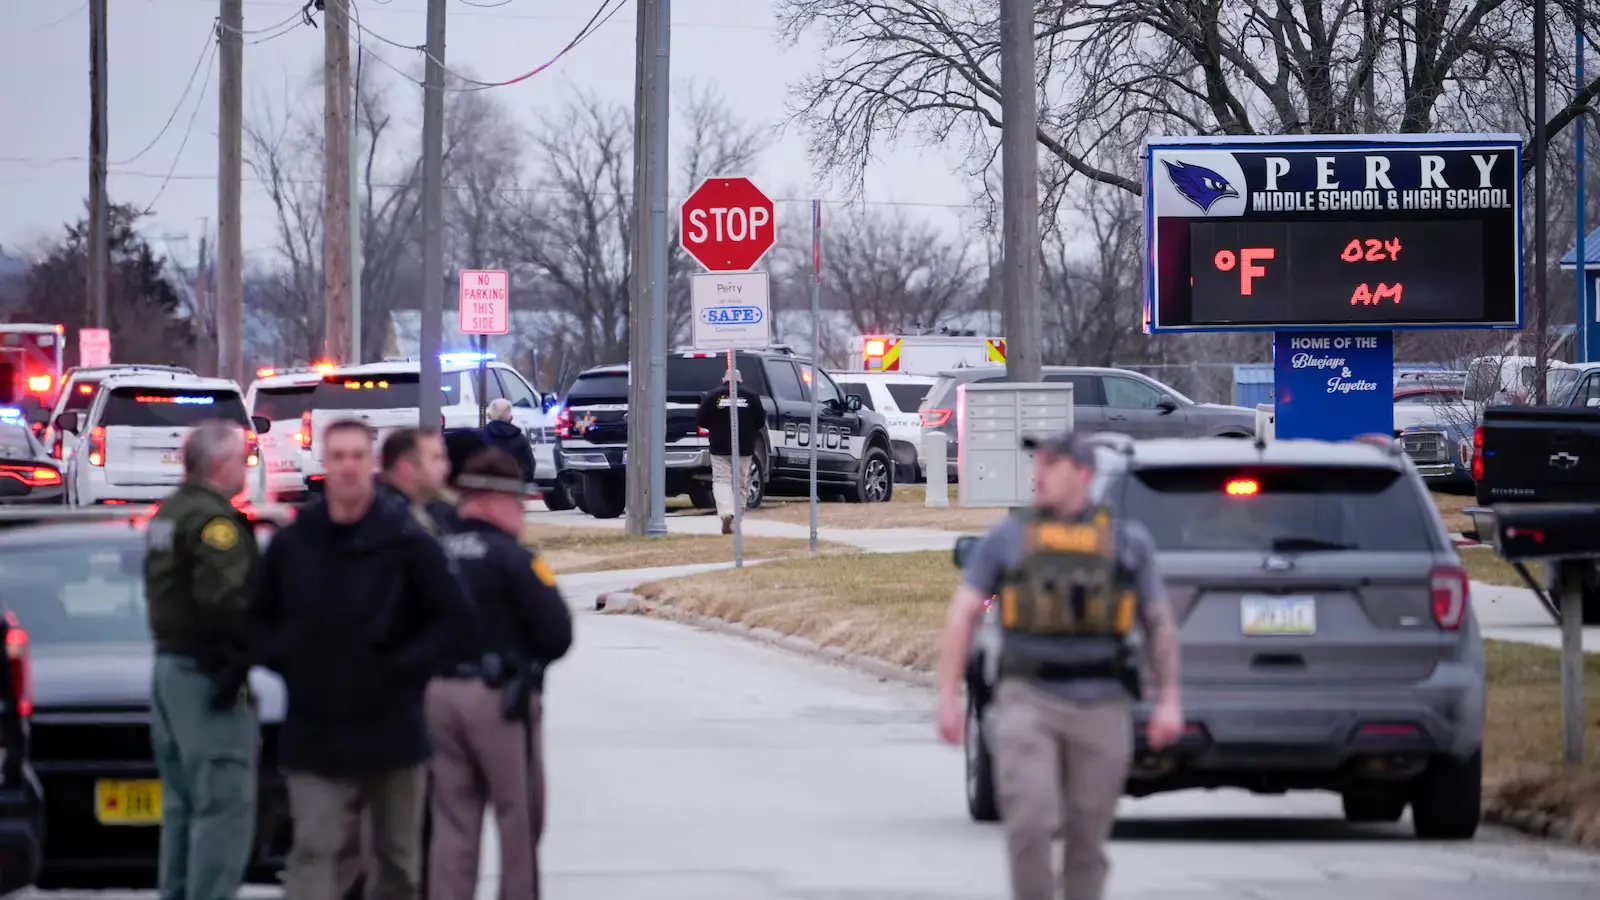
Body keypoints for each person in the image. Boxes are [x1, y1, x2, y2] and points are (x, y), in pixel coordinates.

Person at [934, 431, 1184, 900]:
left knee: (1087, 840)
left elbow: (1159, 623)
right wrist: (948, 696)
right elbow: (964, 612)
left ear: (1084, 475)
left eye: (1052, 465)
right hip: (1028, 698)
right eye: (1038, 464)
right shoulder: (1009, 538)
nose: (1039, 474)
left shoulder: (1126, 541)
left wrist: (1169, 699)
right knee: (1028, 823)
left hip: (1103, 704)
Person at [253, 417, 471, 900]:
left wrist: (407, 667)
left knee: (398, 861)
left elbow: (454, 619)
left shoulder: (406, 540)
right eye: (338, 457)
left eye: (357, 456)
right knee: (313, 851)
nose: (349, 467)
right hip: (315, 729)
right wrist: (290, 660)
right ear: (324, 464)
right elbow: (256, 620)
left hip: (393, 727)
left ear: (371, 464)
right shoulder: (295, 543)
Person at [427, 448, 573, 900]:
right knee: (520, 818)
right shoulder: (513, 557)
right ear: (497, 500)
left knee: (452, 823)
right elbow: (557, 631)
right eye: (518, 503)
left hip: (437, 697)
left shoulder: (434, 553)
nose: (521, 515)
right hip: (498, 701)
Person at [144, 420, 261, 900]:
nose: (246, 466)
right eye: (240, 458)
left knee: (182, 807)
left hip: (170, 672)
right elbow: (228, 600)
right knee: (222, 806)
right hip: (205, 675)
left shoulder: (168, 514)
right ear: (218, 464)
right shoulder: (214, 524)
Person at [695, 368, 765, 534]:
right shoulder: (751, 396)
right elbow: (760, 421)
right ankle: (737, 516)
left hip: (720, 447)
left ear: (723, 379)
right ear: (740, 380)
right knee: (740, 481)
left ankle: (727, 512)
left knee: (721, 480)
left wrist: (715, 426)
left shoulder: (712, 396)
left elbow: (700, 419)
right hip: (744, 447)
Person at [478, 398, 535, 485]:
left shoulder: (478, 438)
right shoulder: (521, 440)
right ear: (511, 418)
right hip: (514, 490)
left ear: (489, 416)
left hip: (485, 490)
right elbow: (529, 468)